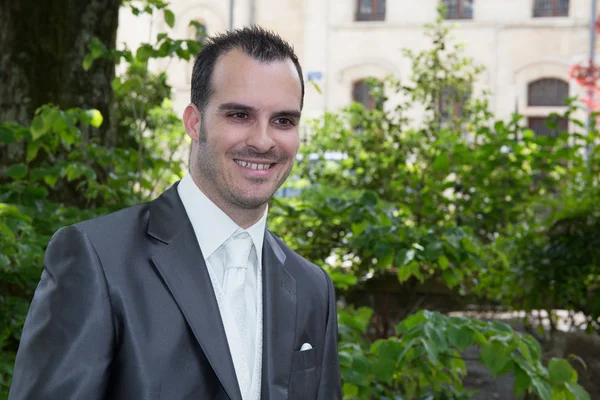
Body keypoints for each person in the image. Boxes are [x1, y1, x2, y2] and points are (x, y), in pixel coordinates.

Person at [9, 26, 341, 400]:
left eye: (283, 121)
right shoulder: (97, 260)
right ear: (194, 122)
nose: (263, 140)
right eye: (239, 115)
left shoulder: (312, 288)